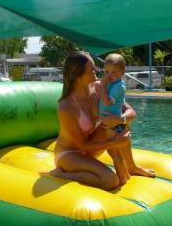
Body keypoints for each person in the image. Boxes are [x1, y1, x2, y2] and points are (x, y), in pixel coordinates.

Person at [50, 51, 130, 190]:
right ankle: (61, 175)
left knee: (117, 122)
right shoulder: (67, 107)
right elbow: (82, 145)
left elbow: (129, 112)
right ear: (78, 75)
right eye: (92, 69)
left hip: (88, 150)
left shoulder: (98, 89)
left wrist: (121, 120)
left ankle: (132, 167)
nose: (97, 71)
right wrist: (113, 142)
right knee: (110, 181)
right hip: (69, 154)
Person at [98, 53, 130, 184]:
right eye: (107, 72)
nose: (109, 75)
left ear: (122, 72)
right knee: (115, 151)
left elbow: (107, 102)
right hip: (111, 121)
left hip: (112, 122)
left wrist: (102, 85)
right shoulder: (115, 83)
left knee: (114, 152)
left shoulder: (118, 87)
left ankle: (122, 178)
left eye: (114, 72)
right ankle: (125, 174)